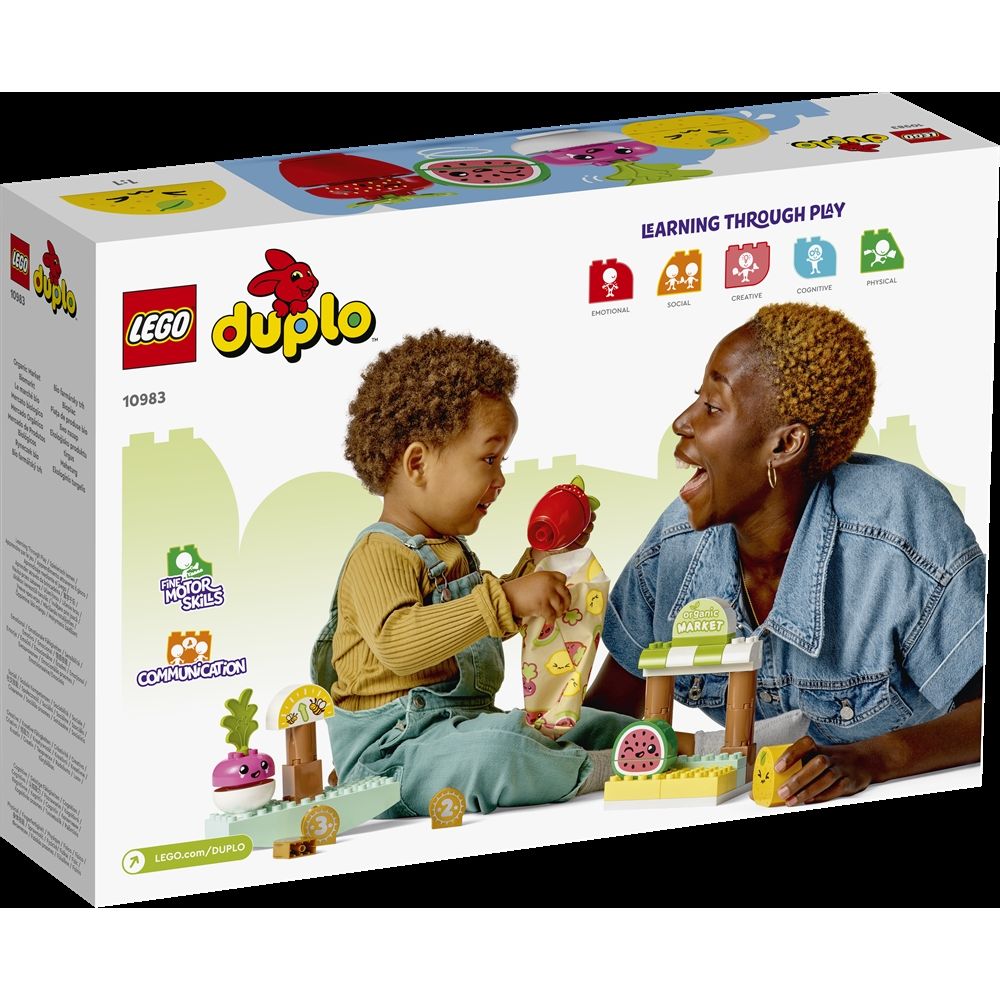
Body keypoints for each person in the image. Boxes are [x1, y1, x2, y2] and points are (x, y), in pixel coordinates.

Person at [585, 302, 984, 805]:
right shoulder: (677, 544)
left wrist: (873, 759)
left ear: (785, 444)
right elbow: (604, 721)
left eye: (713, 407)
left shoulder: (897, 522)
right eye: (696, 400)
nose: (682, 422)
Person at [311, 328, 637, 816]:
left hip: (458, 727)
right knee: (498, 752)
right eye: (489, 458)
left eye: (502, 461)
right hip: (393, 756)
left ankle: (682, 746)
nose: (500, 478)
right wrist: (506, 600)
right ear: (418, 463)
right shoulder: (379, 553)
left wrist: (540, 562)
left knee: (587, 721)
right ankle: (604, 768)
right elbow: (400, 643)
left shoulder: (450, 551)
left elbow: (476, 627)